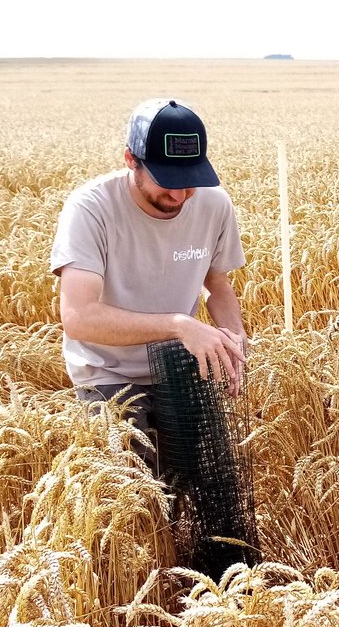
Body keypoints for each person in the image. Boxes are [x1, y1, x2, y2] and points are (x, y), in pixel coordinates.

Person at [51, 98, 248, 462]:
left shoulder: (214, 204)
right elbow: (78, 317)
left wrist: (233, 340)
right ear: (131, 160)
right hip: (108, 373)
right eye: (167, 181)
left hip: (181, 367)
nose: (179, 195)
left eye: (189, 182)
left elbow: (216, 284)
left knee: (195, 486)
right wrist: (178, 326)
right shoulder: (90, 209)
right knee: (136, 494)